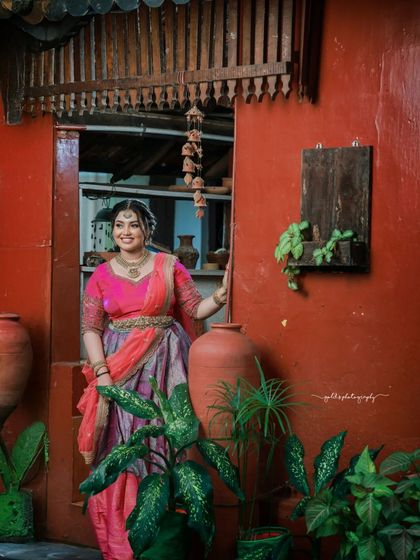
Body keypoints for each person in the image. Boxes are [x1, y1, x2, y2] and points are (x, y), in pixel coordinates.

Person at [77, 199, 227, 560]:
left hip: (166, 365)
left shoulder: (169, 266)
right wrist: (102, 373)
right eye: (119, 225)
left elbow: (194, 308)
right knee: (123, 442)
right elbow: (91, 327)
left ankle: (163, 534)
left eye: (132, 224)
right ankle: (122, 539)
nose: (125, 232)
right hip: (119, 368)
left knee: (164, 440)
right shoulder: (101, 274)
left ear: (147, 229)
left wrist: (220, 295)